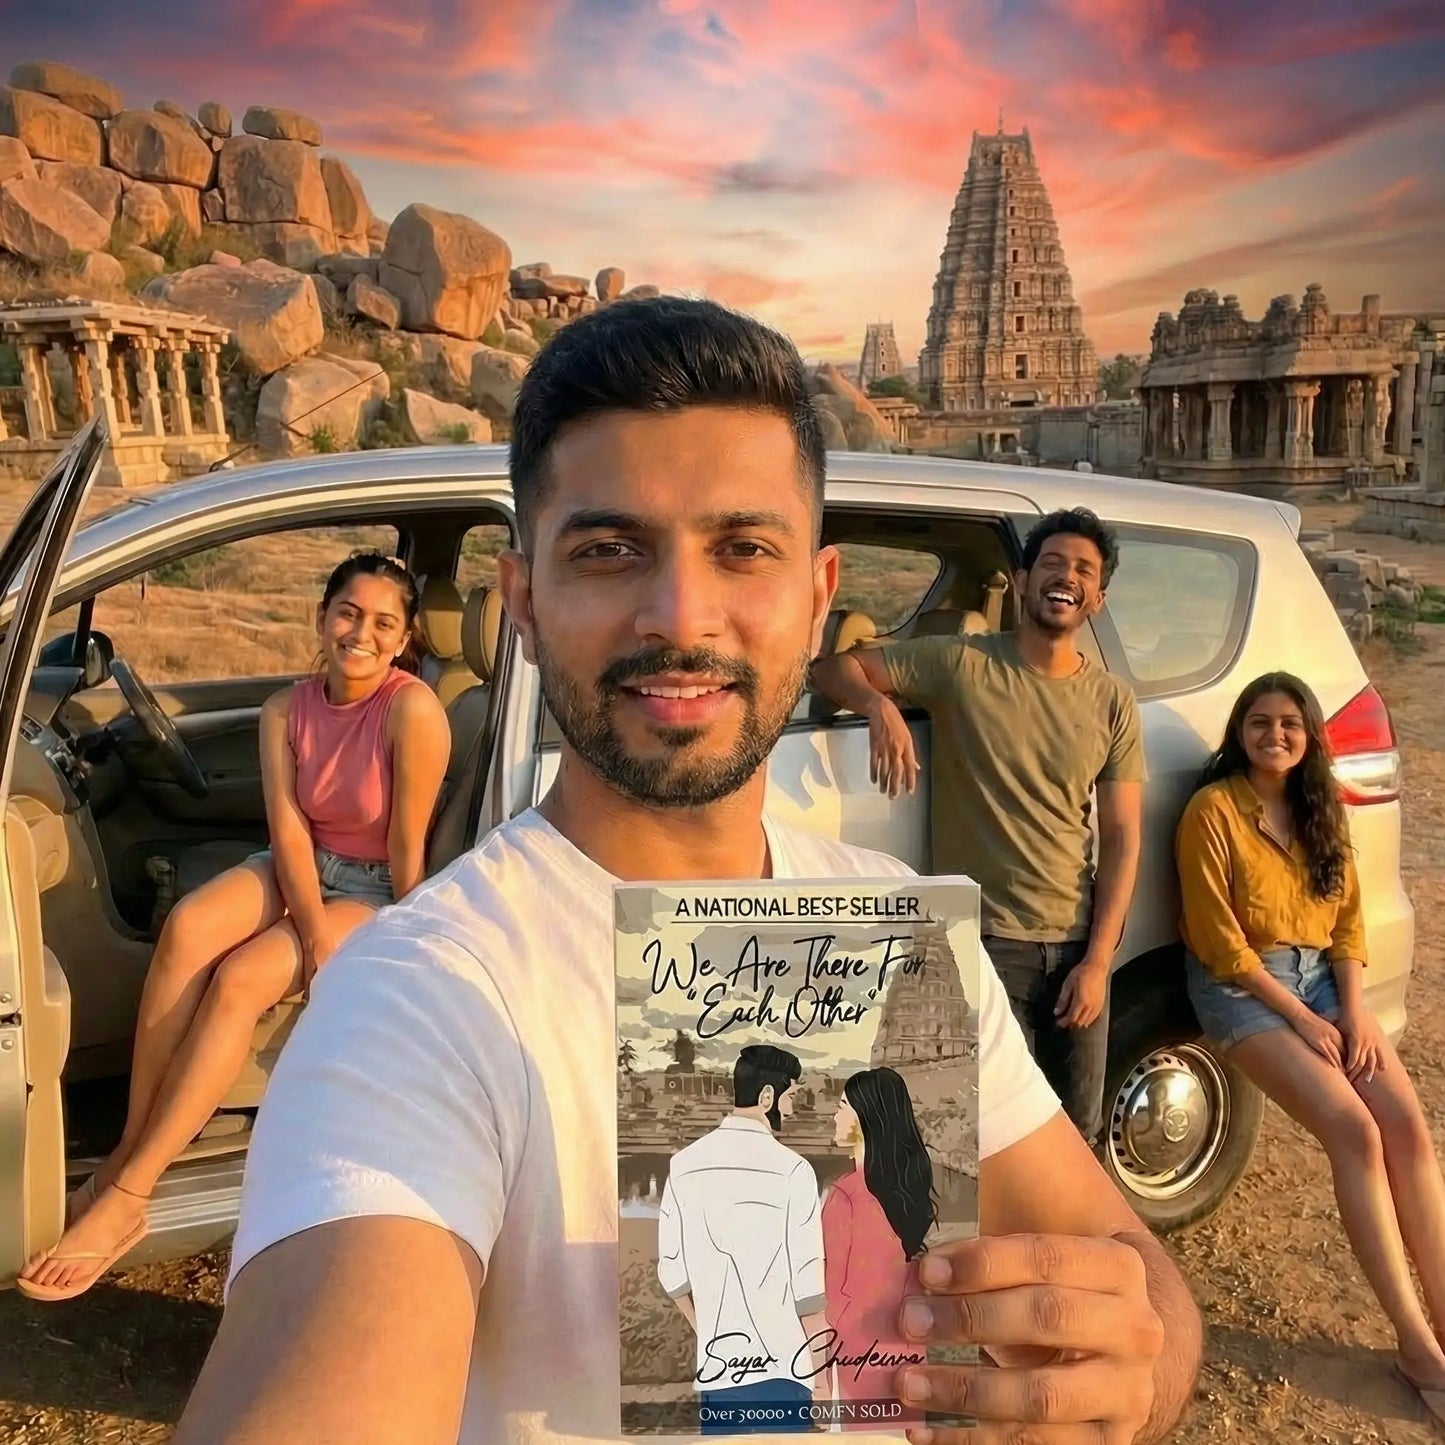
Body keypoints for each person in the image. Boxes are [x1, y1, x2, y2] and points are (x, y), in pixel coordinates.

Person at [175, 297, 1199, 1444]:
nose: (679, 614)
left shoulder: (899, 933)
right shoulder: (421, 993)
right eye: (609, 550)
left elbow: (1136, 1273)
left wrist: (1121, 1375)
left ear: (816, 598)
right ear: (522, 602)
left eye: (741, 548)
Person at [18, 552, 451, 1303]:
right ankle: (125, 1147)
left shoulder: (413, 710)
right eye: (348, 612)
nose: (361, 632)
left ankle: (131, 1194)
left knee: (241, 977)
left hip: (375, 885)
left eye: (384, 622)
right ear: (322, 617)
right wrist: (308, 918)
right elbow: (285, 826)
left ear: (404, 636)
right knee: (187, 927)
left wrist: (395, 957)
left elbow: (408, 848)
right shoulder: (288, 708)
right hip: (299, 864)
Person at [809, 508, 1143, 1150]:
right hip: (989, 942)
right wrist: (880, 705)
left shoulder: (1110, 700)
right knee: (989, 1137)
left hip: (1075, 943)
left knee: (1078, 1137)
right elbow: (831, 670)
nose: (1064, 578)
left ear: (1097, 599)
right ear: (1021, 580)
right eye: (1050, 563)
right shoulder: (961, 664)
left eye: (1082, 570)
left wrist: (1100, 960)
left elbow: (1123, 838)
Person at [1177, 671, 1445, 1427]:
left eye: (1289, 722)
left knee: (1407, 1128)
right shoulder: (1212, 811)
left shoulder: (1320, 808)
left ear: (1308, 734)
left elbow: (1349, 926)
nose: (1275, 735)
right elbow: (1219, 943)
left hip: (1327, 985)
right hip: (1246, 990)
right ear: (1239, 732)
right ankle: (1416, 1346)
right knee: (1353, 1131)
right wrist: (1300, 1017)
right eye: (1259, 722)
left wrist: (1353, 1013)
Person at [657, 1045, 828, 1433]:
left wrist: (712, 1333)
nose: (790, 1109)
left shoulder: (682, 1166)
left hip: (719, 1369)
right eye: (790, 1098)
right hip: (786, 1367)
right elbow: (808, 1291)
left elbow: (671, 1273)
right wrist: (821, 1378)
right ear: (767, 1096)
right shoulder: (794, 1171)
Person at [821, 1068, 935, 1427]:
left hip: (854, 1348)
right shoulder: (908, 1187)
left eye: (842, 1107)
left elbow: (830, 1294)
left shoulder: (844, 1195)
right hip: (905, 1342)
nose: (834, 1116)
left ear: (863, 1117)